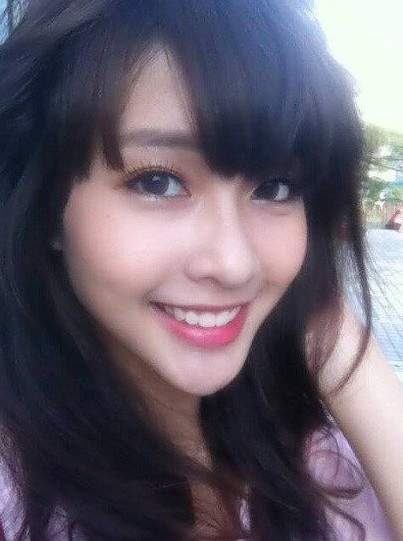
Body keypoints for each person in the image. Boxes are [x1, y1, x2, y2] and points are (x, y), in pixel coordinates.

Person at [0, 1, 402, 539]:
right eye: (158, 182)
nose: (235, 264)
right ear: (46, 206)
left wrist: (339, 345)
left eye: (275, 187)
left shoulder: (328, 453)